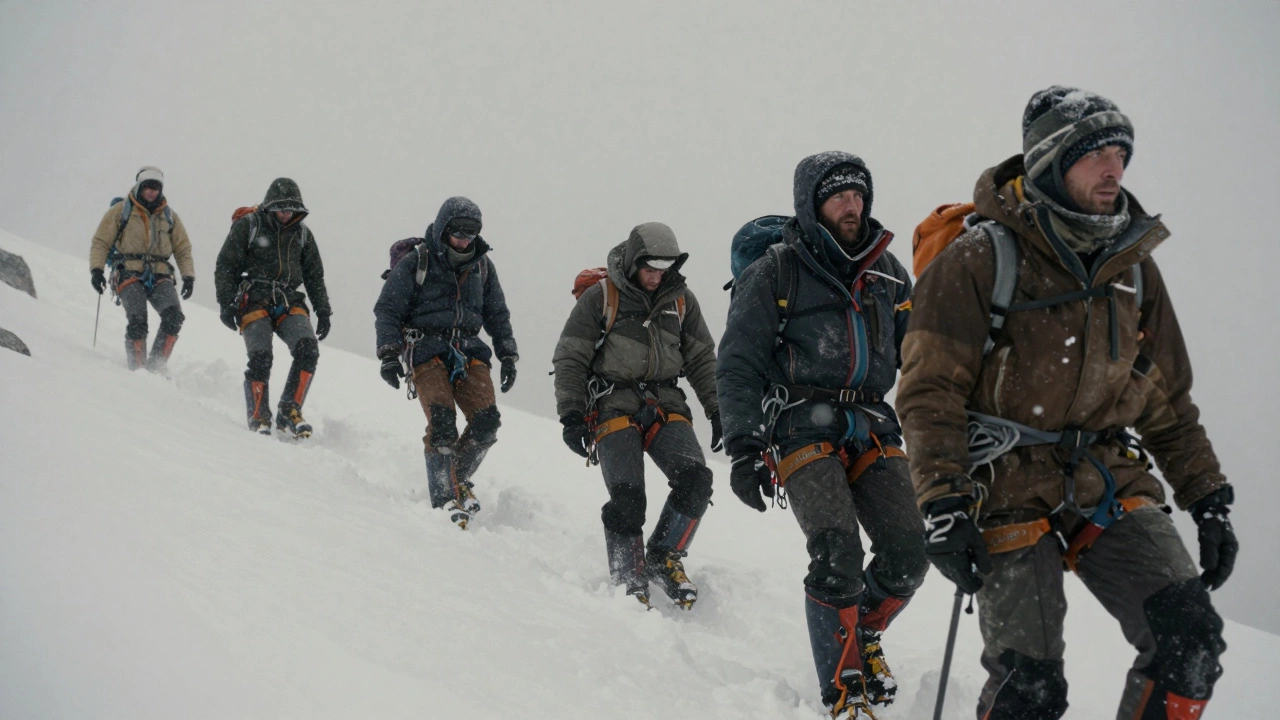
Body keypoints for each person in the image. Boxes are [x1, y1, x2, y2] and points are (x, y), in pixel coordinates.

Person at [896, 86, 1236, 719]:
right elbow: (929, 390)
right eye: (1095, 155)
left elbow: (1165, 399)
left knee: (1188, 640)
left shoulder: (1133, 268)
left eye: (1120, 153)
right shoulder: (978, 259)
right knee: (1030, 689)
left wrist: (1206, 495)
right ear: (1051, 162)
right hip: (1000, 480)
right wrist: (943, 501)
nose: (1115, 169)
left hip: (1105, 474)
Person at [716, 152, 926, 718]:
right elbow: (737, 363)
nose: (851, 205)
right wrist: (744, 446)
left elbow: (925, 358)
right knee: (837, 550)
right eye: (837, 196)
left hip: (873, 425)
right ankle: (844, 686)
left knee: (910, 553)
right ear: (811, 206)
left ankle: (866, 632)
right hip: (799, 423)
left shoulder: (889, 273)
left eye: (858, 194)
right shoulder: (777, 270)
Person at [552, 222, 720, 609]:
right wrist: (571, 415)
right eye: (649, 267)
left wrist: (717, 409)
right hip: (612, 405)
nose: (656, 276)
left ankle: (663, 557)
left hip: (666, 403)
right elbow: (571, 356)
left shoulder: (681, 301)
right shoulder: (601, 297)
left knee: (696, 479)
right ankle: (628, 574)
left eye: (664, 268)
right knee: (628, 498)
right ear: (632, 262)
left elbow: (700, 359)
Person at [373, 197, 517, 530]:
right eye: (459, 232)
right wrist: (388, 355)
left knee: (487, 422)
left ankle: (456, 479)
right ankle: (443, 498)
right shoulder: (418, 261)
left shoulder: (482, 266)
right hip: (424, 347)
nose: (465, 239)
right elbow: (388, 310)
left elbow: (497, 313)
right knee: (441, 422)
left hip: (469, 348)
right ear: (443, 228)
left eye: (472, 232)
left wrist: (508, 353)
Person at [214, 178, 332, 438]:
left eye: (291, 209)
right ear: (270, 206)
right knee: (261, 356)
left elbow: (314, 276)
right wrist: (225, 302)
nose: (286, 214)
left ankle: (289, 410)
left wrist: (323, 310)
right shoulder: (249, 225)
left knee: (308, 349)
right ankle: (259, 415)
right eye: (281, 208)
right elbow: (226, 265)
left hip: (289, 298)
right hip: (253, 297)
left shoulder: (303, 234)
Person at [89, 166, 194, 371]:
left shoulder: (170, 216)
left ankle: (155, 367)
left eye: (156, 187)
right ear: (140, 186)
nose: (152, 191)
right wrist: (97, 270)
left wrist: (188, 276)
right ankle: (137, 370)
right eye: (148, 186)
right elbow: (101, 241)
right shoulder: (121, 211)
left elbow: (183, 249)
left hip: (161, 274)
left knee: (174, 317)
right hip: (127, 271)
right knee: (138, 319)